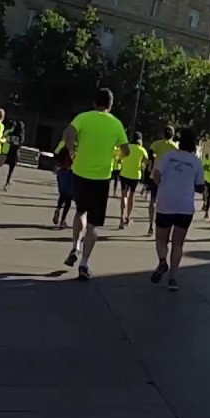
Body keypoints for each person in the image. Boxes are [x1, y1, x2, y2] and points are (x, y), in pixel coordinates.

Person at [62, 88, 130, 280]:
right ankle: (84, 263)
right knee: (94, 224)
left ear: (95, 102)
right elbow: (126, 150)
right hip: (101, 177)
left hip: (81, 172)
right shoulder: (116, 124)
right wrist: (114, 155)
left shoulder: (83, 117)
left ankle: (75, 246)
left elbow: (69, 133)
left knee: (80, 211)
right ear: (110, 105)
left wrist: (72, 150)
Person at [151, 128, 203, 291]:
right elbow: (200, 186)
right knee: (178, 244)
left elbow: (156, 174)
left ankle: (161, 261)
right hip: (185, 206)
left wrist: (163, 186)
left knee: (161, 239)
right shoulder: (196, 162)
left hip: (166, 202)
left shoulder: (168, 156)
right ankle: (173, 278)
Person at [145, 127, 179, 237]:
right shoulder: (175, 147)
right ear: (173, 135)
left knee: (152, 200)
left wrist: (150, 167)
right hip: (169, 177)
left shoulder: (156, 144)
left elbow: (150, 154)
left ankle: (150, 224)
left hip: (155, 175)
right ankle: (163, 224)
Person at [117, 132, 148, 229]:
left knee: (124, 195)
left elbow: (119, 158)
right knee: (131, 196)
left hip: (124, 173)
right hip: (135, 175)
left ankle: (121, 217)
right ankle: (128, 217)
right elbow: (146, 161)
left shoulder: (127, 147)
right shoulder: (142, 150)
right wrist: (142, 167)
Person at [51, 140, 74, 229]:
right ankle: (63, 220)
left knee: (62, 194)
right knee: (69, 197)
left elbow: (56, 152)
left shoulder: (63, 142)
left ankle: (58, 209)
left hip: (61, 172)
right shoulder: (78, 143)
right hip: (71, 172)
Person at [2, 119, 24, 191]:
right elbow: (20, 143)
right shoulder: (21, 135)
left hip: (9, 152)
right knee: (11, 169)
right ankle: (7, 181)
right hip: (16, 153)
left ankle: (8, 181)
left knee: (2, 164)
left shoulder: (11, 133)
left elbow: (8, 140)